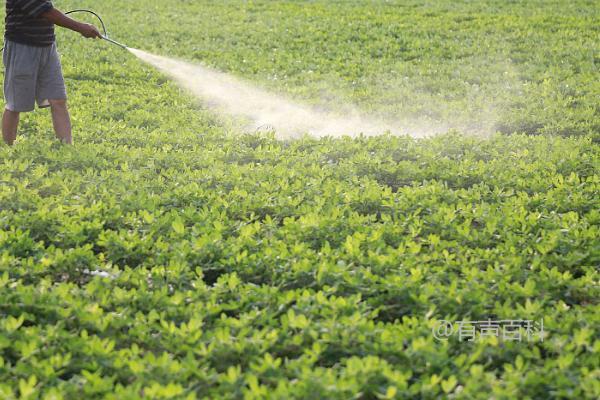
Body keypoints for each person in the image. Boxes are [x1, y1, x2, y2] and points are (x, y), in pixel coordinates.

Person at [3, 0, 101, 145]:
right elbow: (46, 11)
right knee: (15, 104)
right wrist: (80, 27)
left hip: (47, 47)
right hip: (22, 48)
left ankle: (67, 146)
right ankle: (8, 146)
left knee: (58, 99)